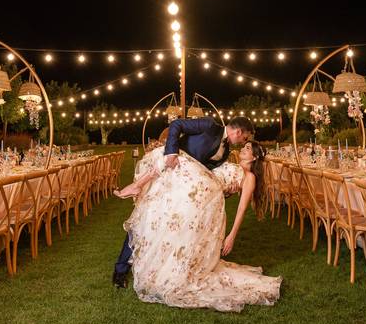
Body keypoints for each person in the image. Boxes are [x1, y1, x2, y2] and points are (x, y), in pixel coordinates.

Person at [114, 140, 281, 312]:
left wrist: (232, 235)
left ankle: (138, 185)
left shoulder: (250, 177)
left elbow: (242, 208)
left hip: (207, 204)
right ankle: (141, 184)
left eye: (248, 149)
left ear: (254, 157)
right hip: (200, 195)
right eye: (244, 146)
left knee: (175, 157)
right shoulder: (232, 164)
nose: (244, 149)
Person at [112, 115, 253, 288]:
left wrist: (222, 190)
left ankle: (161, 268)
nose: (242, 142)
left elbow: (207, 171)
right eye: (244, 138)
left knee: (167, 227)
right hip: (170, 176)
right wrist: (171, 151)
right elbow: (177, 124)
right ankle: (120, 271)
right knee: (145, 219)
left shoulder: (225, 152)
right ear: (238, 131)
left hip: (184, 192)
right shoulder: (210, 125)